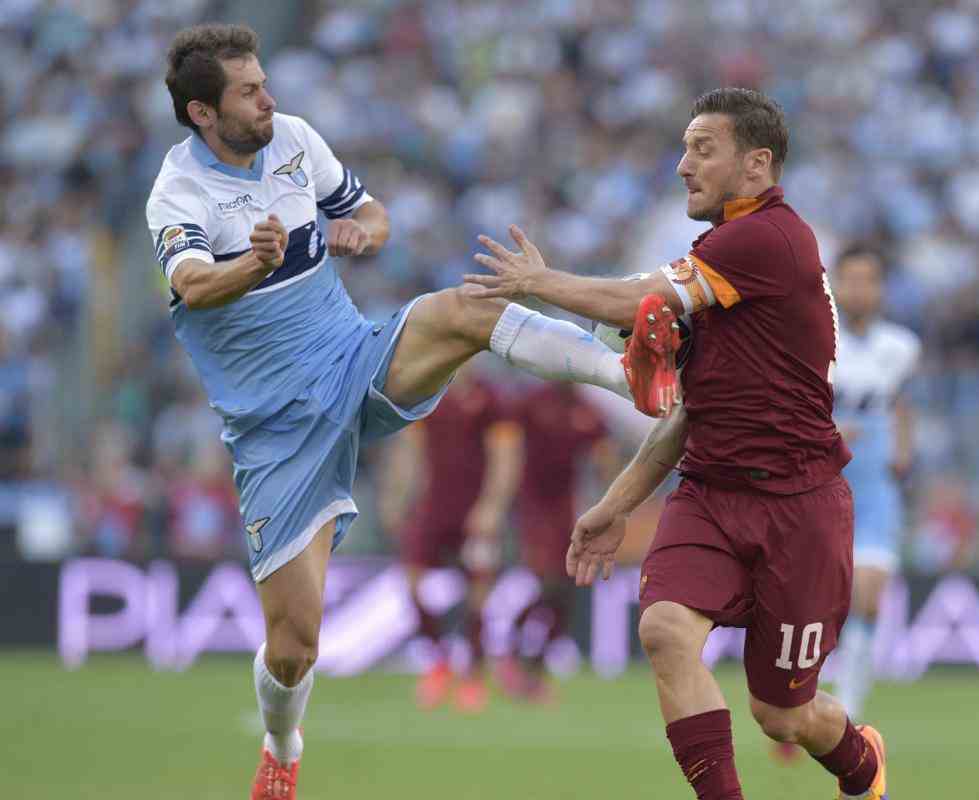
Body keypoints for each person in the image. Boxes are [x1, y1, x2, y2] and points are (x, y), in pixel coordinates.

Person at [146, 24, 653, 800]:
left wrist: (358, 233)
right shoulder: (177, 193)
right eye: (248, 91)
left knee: (465, 308)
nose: (269, 99)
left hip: (353, 357)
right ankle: (283, 745)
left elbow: (375, 216)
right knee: (294, 645)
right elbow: (191, 287)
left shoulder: (296, 140)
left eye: (264, 81)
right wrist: (254, 261)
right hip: (276, 430)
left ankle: (628, 373)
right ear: (202, 113)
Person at [466, 88, 887, 800]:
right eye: (685, 147)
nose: (683, 165)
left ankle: (862, 764)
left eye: (703, 149)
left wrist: (538, 283)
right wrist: (617, 503)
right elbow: (691, 416)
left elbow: (639, 301)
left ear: (756, 166)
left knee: (782, 715)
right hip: (712, 495)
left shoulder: (770, 239)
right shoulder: (723, 264)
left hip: (799, 508)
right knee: (664, 628)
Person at [826, 246, 922, 722]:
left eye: (869, 280)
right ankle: (803, 690)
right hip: (821, 483)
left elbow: (902, 403)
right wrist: (828, 432)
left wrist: (904, 451)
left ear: (881, 288)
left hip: (875, 487)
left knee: (867, 593)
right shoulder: (819, 340)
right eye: (852, 279)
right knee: (822, 597)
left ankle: (846, 704)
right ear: (837, 285)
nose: (860, 289)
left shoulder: (901, 347)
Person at [395, 364, 521, 713]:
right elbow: (411, 451)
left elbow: (505, 458)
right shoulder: (427, 392)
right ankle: (438, 661)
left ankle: (472, 675)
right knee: (412, 583)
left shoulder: (491, 400)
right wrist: (402, 496)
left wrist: (492, 507)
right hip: (433, 507)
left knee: (478, 593)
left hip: (475, 509)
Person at [497, 381, 616, 702]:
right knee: (548, 582)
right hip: (532, 506)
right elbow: (507, 446)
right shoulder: (531, 402)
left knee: (566, 589)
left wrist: (612, 504)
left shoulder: (586, 409)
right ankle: (510, 650)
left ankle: (533, 668)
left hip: (565, 506)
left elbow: (604, 455)